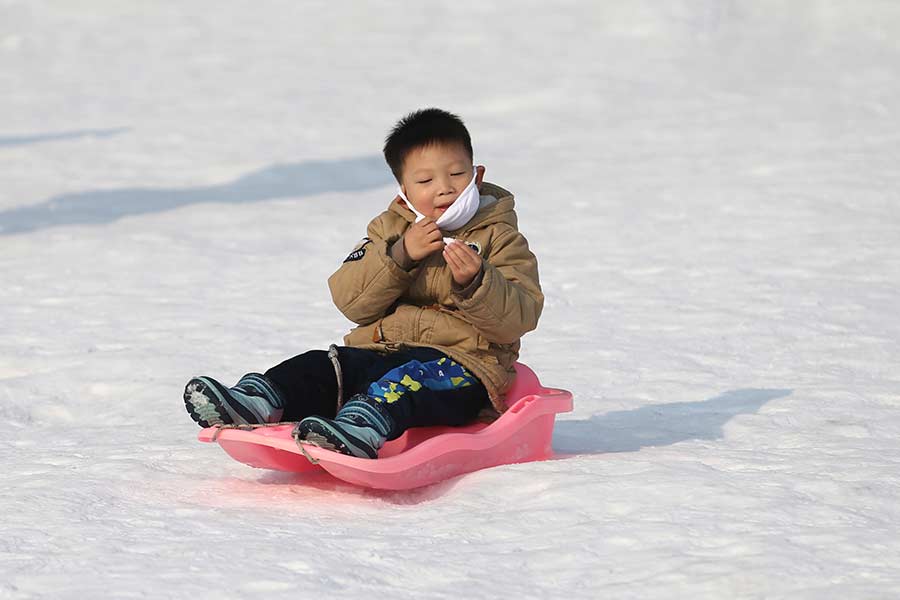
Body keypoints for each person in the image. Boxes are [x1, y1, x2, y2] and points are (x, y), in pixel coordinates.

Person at [183, 108, 543, 459]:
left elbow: (518, 319)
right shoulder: (388, 230)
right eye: (425, 181)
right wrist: (400, 256)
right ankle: (256, 400)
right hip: (382, 350)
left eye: (456, 174)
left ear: (477, 176)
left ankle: (360, 428)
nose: (444, 189)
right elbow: (351, 300)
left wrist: (476, 282)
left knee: (407, 383)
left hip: (463, 368)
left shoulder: (501, 238)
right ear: (404, 191)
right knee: (324, 366)